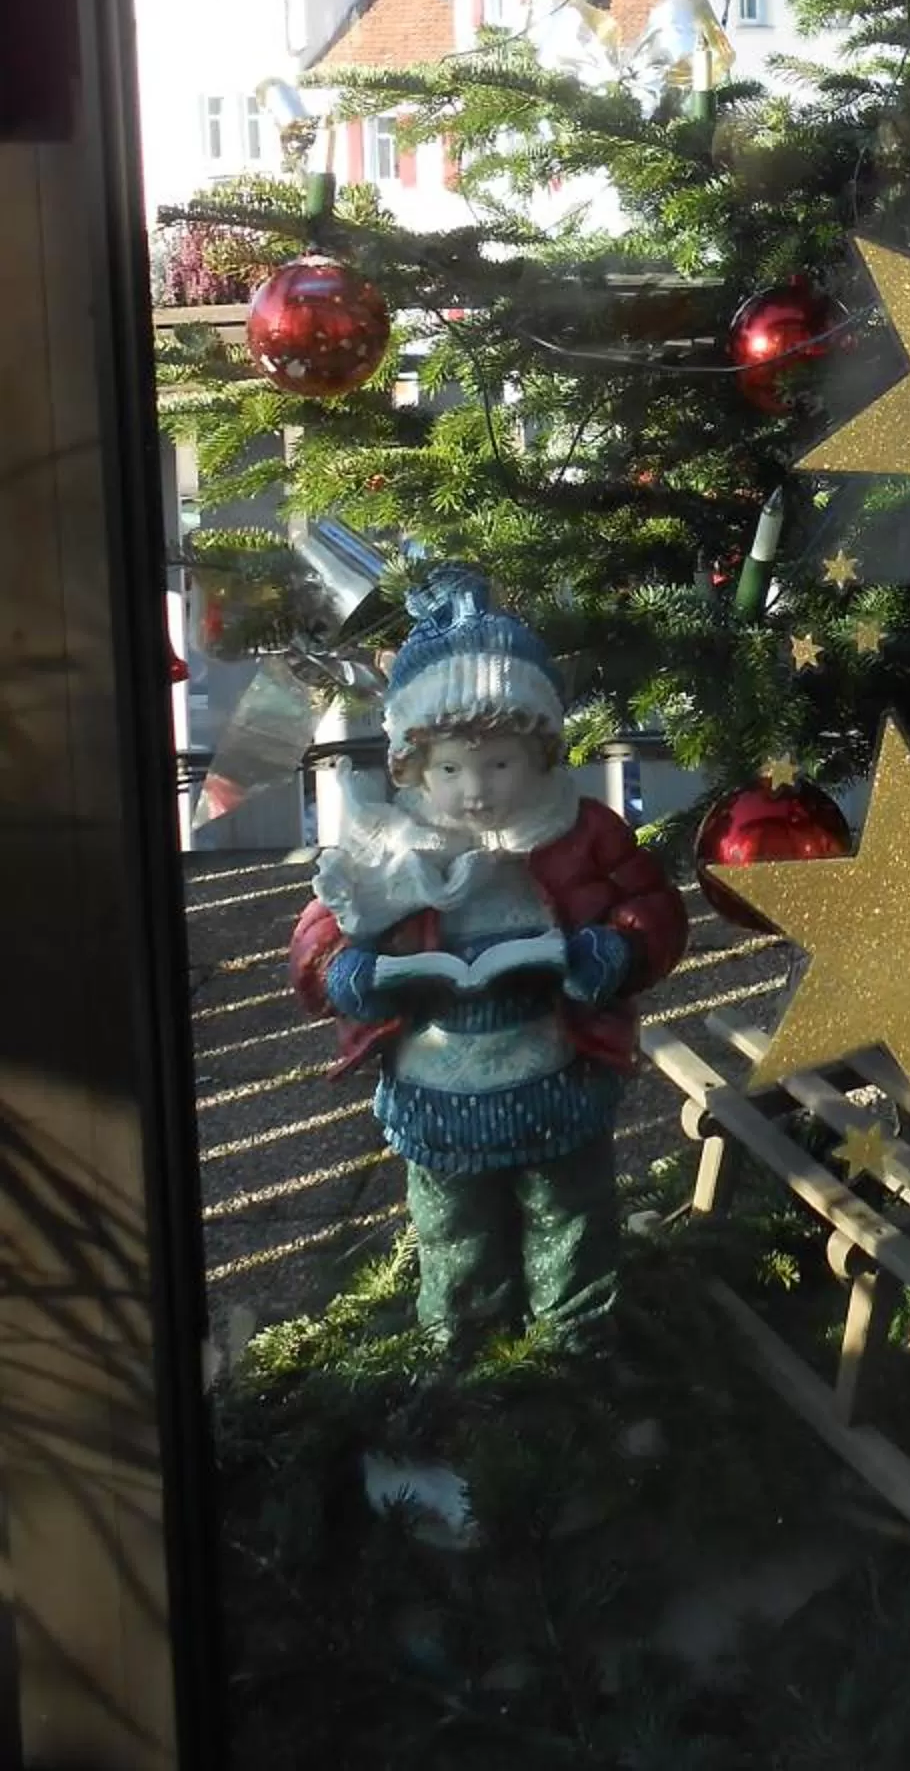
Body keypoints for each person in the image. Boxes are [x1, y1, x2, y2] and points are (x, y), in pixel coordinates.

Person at [289, 567, 687, 1349]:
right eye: (450, 769)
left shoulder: (581, 829)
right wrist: (345, 972)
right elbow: (319, 932)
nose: (475, 790)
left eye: (498, 763)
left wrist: (618, 948)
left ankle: (574, 1340)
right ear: (413, 765)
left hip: (556, 1072)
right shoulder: (389, 844)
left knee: (569, 1214)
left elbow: (655, 906)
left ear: (537, 754)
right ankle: (466, 1343)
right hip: (439, 1090)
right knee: (453, 1225)